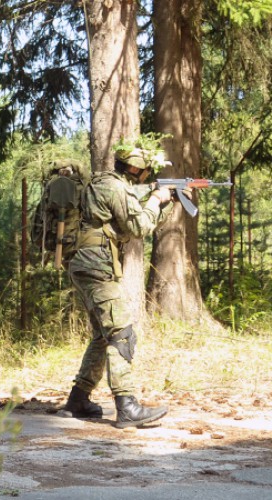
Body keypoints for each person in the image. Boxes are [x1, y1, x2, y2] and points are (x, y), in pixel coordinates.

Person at [59, 147, 175, 429]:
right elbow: (137, 226)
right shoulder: (115, 188)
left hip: (85, 264)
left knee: (102, 335)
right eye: (146, 170)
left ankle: (78, 400)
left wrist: (164, 202)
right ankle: (127, 407)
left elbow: (127, 225)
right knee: (121, 334)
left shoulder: (105, 183)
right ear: (137, 169)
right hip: (96, 267)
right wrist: (158, 199)